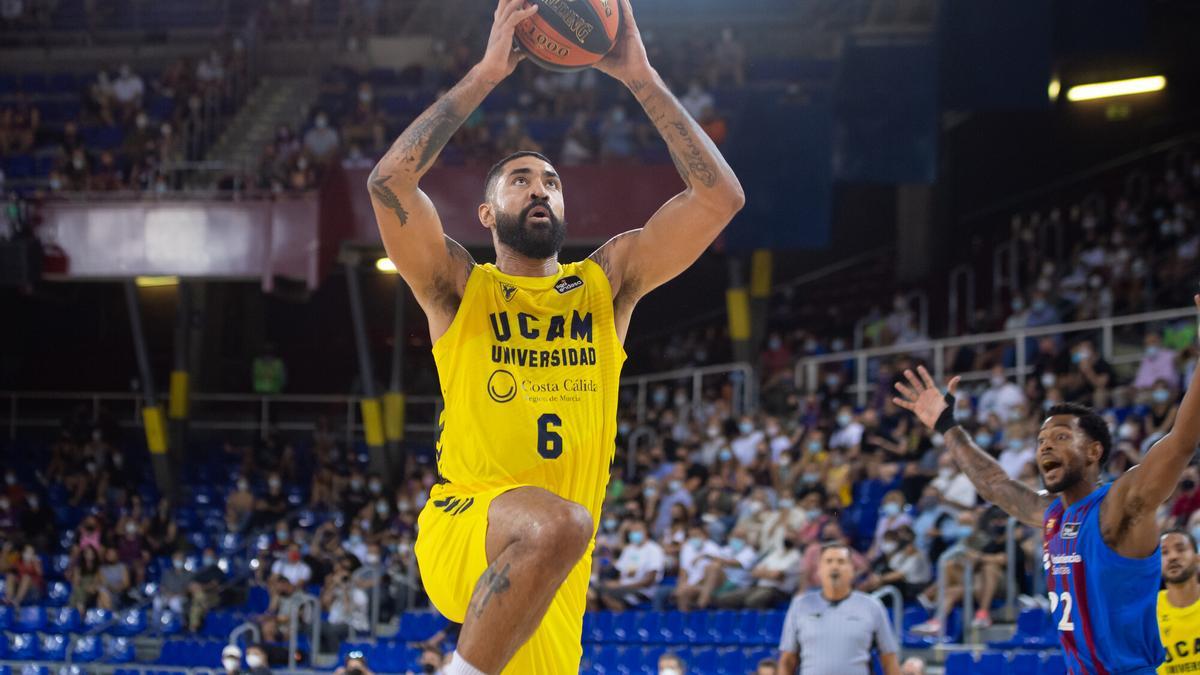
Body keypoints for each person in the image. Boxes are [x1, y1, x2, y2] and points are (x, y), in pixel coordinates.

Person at [366, 0, 743, 672]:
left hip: (549, 568)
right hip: (465, 521)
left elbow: (720, 200)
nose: (539, 189)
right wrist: (485, 74)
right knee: (563, 521)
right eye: (520, 180)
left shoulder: (608, 283)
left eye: (551, 181)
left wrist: (641, 78)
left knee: (562, 535)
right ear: (487, 212)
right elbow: (388, 182)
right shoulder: (460, 286)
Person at [893, 331, 1200, 673]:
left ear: (1094, 451)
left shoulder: (1121, 506)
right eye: (1041, 441)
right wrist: (947, 425)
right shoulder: (1052, 514)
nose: (1046, 447)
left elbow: (1182, 441)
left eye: (1061, 437)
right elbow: (995, 484)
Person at [778, 543, 901, 675]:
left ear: (852, 570)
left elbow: (889, 658)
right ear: (819, 569)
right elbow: (787, 660)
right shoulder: (800, 605)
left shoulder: (872, 606)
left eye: (841, 561)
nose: (834, 566)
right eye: (828, 561)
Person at [1158, 529, 1200, 674]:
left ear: (1197, 558)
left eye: (1180, 549)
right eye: (1164, 552)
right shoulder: (1147, 611)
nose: (1173, 557)